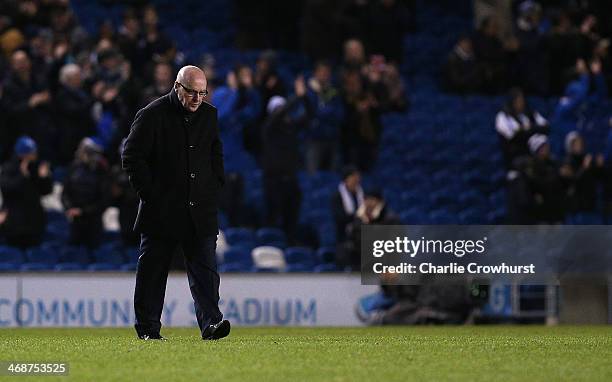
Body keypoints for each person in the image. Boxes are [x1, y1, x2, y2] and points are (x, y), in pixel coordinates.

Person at [122, 65, 230, 341]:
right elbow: (131, 157)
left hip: (200, 210)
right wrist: (153, 196)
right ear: (177, 87)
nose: (197, 99)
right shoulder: (151, 114)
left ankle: (212, 324)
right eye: (192, 92)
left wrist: (214, 186)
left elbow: (215, 154)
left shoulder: (210, 115)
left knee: (206, 272)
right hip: (162, 211)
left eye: (202, 93)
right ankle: (147, 329)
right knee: (153, 272)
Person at [0, 136, 53, 248]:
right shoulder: (9, 168)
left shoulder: (35, 167)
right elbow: (7, 189)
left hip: (34, 222)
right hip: (14, 223)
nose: (34, 155)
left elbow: (46, 191)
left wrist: (44, 177)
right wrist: (22, 176)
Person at [61, 137, 111, 249]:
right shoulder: (73, 168)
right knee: (74, 254)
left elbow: (104, 200)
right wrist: (70, 208)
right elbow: (65, 193)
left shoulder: (101, 171)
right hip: (75, 222)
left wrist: (83, 211)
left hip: (94, 223)